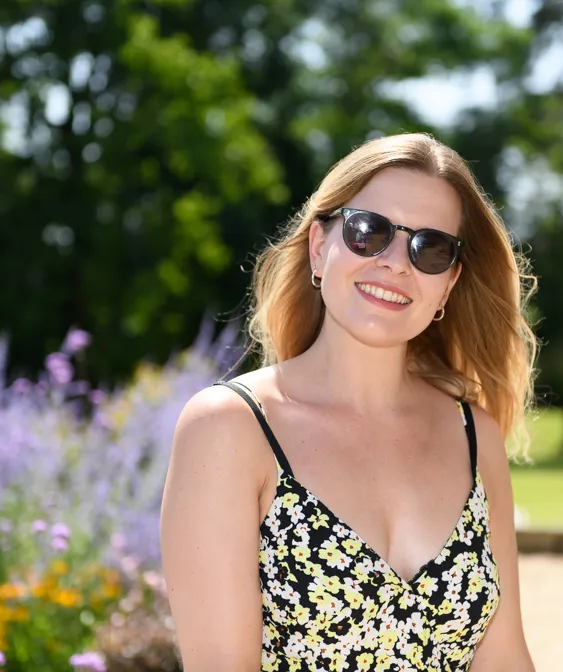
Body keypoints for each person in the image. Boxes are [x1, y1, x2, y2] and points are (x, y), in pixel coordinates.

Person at [160, 132, 538, 671]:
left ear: (449, 283)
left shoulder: (474, 436)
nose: (396, 263)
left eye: (429, 249)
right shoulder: (232, 428)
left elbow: (503, 659)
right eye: (369, 232)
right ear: (320, 246)